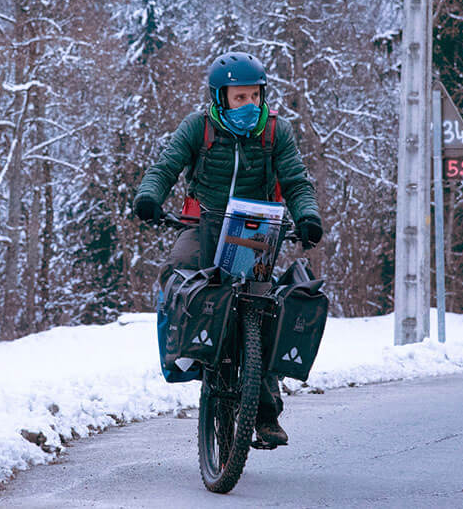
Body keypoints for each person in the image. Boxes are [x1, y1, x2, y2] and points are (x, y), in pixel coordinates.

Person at [133, 51, 323, 447]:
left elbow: (296, 181)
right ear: (221, 98)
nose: (249, 106)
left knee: (263, 307)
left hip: (256, 226)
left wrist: (308, 217)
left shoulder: (275, 132)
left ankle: (266, 415)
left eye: (255, 97)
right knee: (177, 272)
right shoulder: (197, 128)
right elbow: (165, 168)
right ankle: (182, 353)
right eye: (240, 98)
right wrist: (149, 197)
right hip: (204, 221)